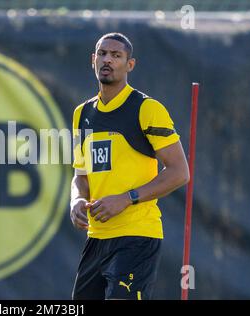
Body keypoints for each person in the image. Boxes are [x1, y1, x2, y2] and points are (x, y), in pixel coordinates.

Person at [70, 33, 190, 300]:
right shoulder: (82, 114)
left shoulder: (147, 109)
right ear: (93, 60)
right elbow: (81, 175)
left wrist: (127, 199)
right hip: (96, 238)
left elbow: (180, 173)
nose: (107, 60)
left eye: (116, 55)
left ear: (130, 65)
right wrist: (77, 199)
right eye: (102, 54)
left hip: (136, 237)